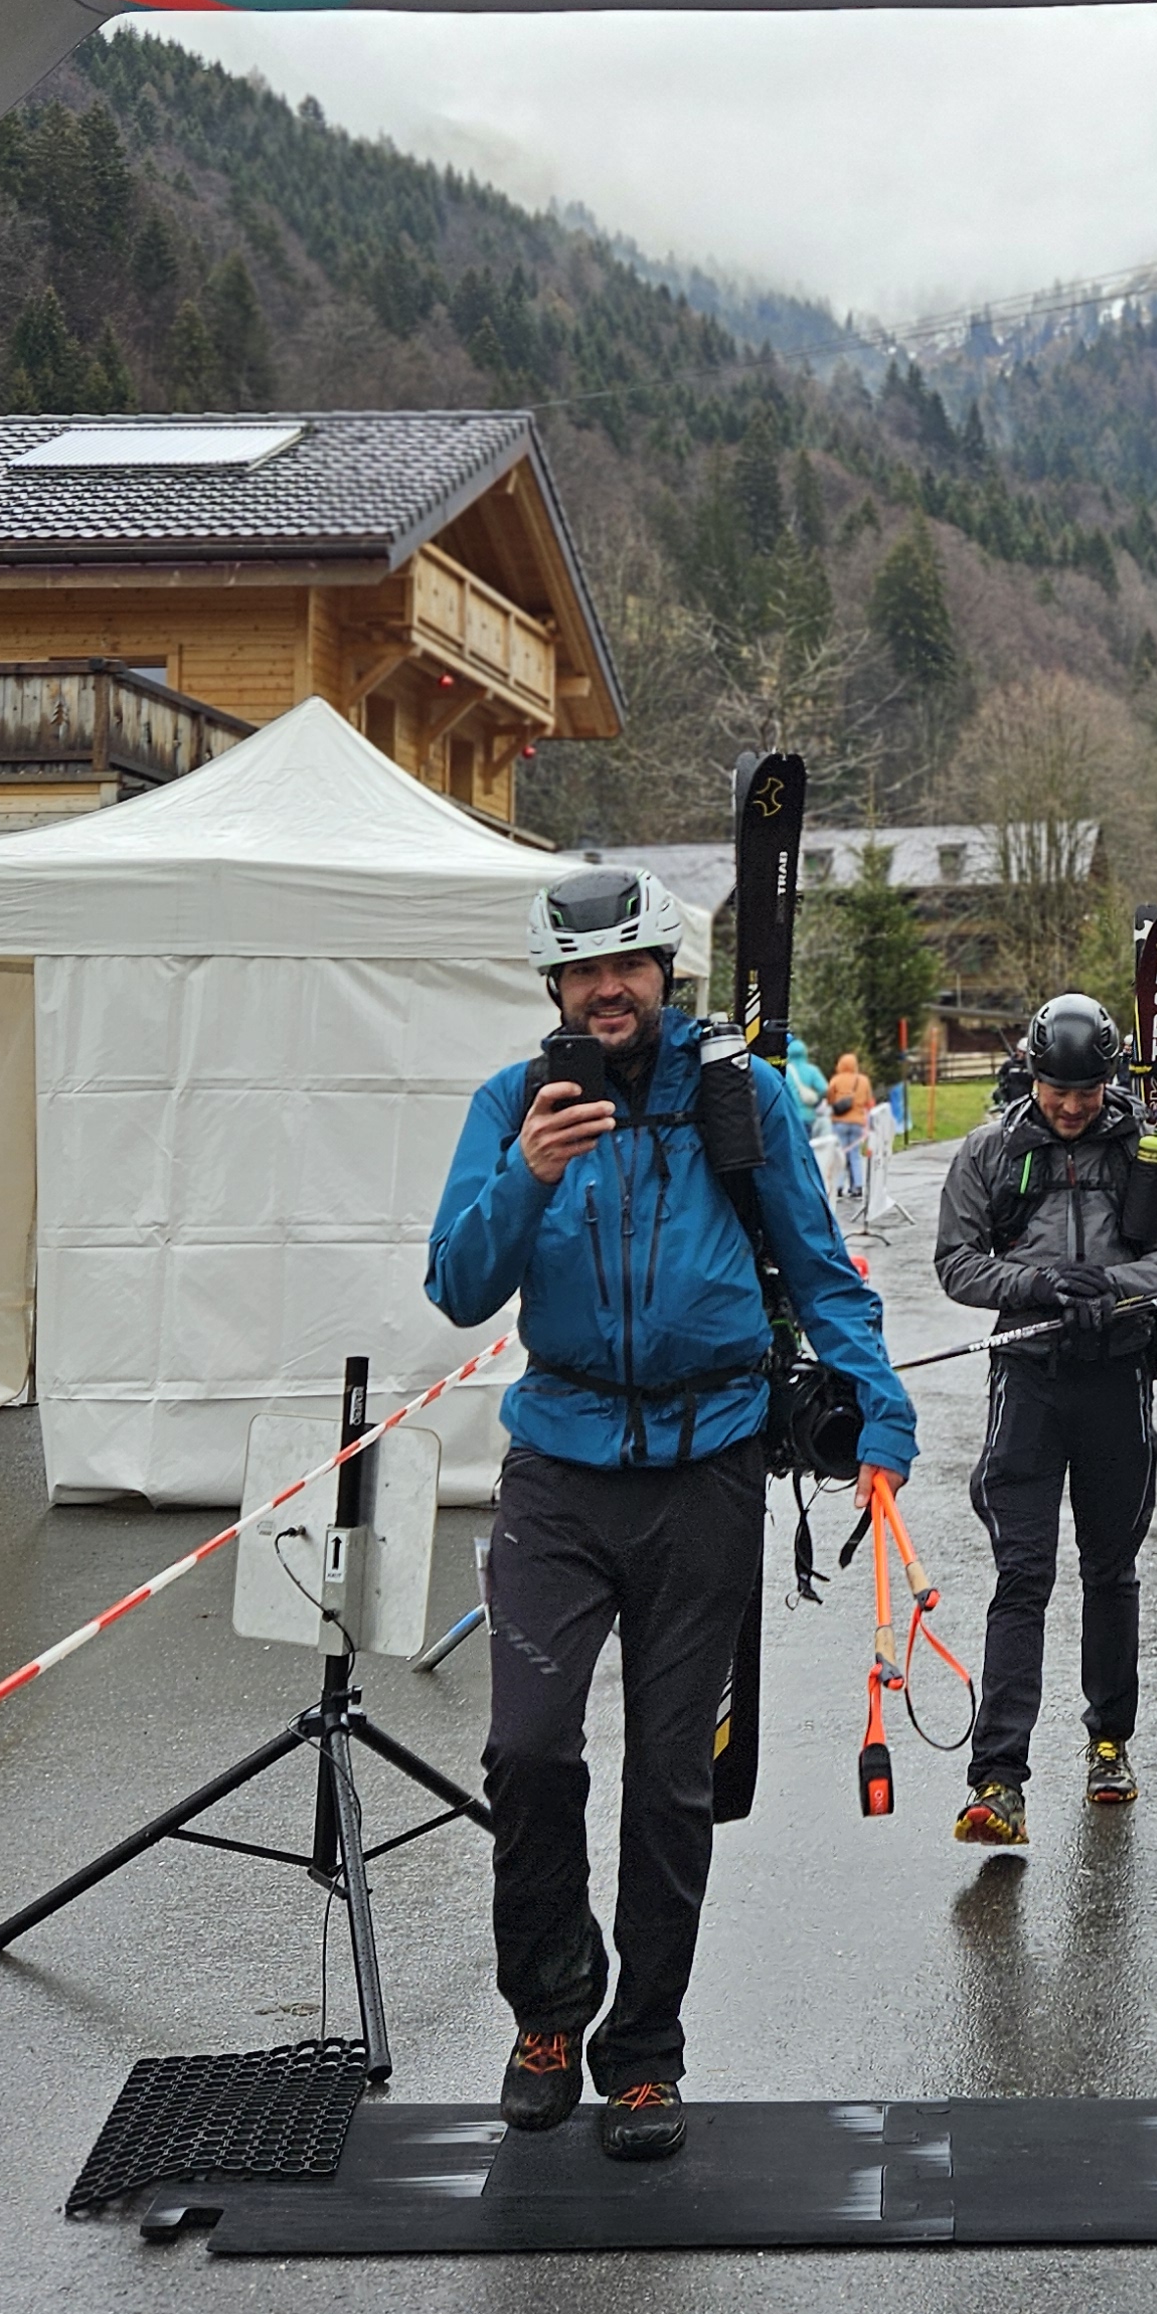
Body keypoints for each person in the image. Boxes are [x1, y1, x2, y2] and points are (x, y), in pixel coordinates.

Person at [426, 865, 914, 2163]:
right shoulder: (513, 1106)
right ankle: (550, 2008)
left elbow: (821, 1269)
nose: (607, 991)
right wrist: (526, 1176)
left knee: (672, 1778)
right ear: (554, 986)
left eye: (627, 967)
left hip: (707, 1469)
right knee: (529, 1751)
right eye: (583, 973)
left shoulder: (735, 1097)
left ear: (664, 972)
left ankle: (643, 2051)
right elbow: (456, 1286)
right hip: (560, 1468)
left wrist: (881, 1418)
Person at [930, 991, 1157, 1847]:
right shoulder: (991, 1151)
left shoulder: (1146, 1154)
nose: (1074, 1107)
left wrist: (1111, 1290)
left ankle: (1109, 1742)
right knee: (1022, 1575)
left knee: (1110, 1569)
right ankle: (997, 1779)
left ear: (1108, 1081)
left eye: (1088, 1092)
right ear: (1033, 1075)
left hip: (1117, 1378)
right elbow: (956, 1262)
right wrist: (1041, 1285)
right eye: (1059, 1090)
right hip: (1029, 1381)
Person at [825, 1047, 877, 1211]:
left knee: (840, 1155)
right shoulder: (863, 1080)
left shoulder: (836, 1080)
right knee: (855, 1154)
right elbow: (869, 1100)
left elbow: (829, 1099)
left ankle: (839, 1186)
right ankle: (857, 1186)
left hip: (839, 1122)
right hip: (858, 1122)